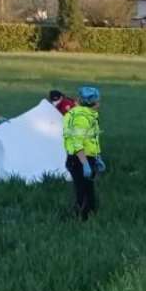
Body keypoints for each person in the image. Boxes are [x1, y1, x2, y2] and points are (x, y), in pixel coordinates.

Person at [62, 86, 105, 220]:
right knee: (83, 191)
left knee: (88, 189)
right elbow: (77, 142)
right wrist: (85, 163)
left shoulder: (87, 115)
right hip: (79, 159)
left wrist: (97, 157)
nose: (99, 103)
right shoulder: (81, 118)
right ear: (92, 102)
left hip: (86, 158)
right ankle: (80, 218)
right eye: (98, 101)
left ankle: (90, 215)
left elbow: (90, 139)